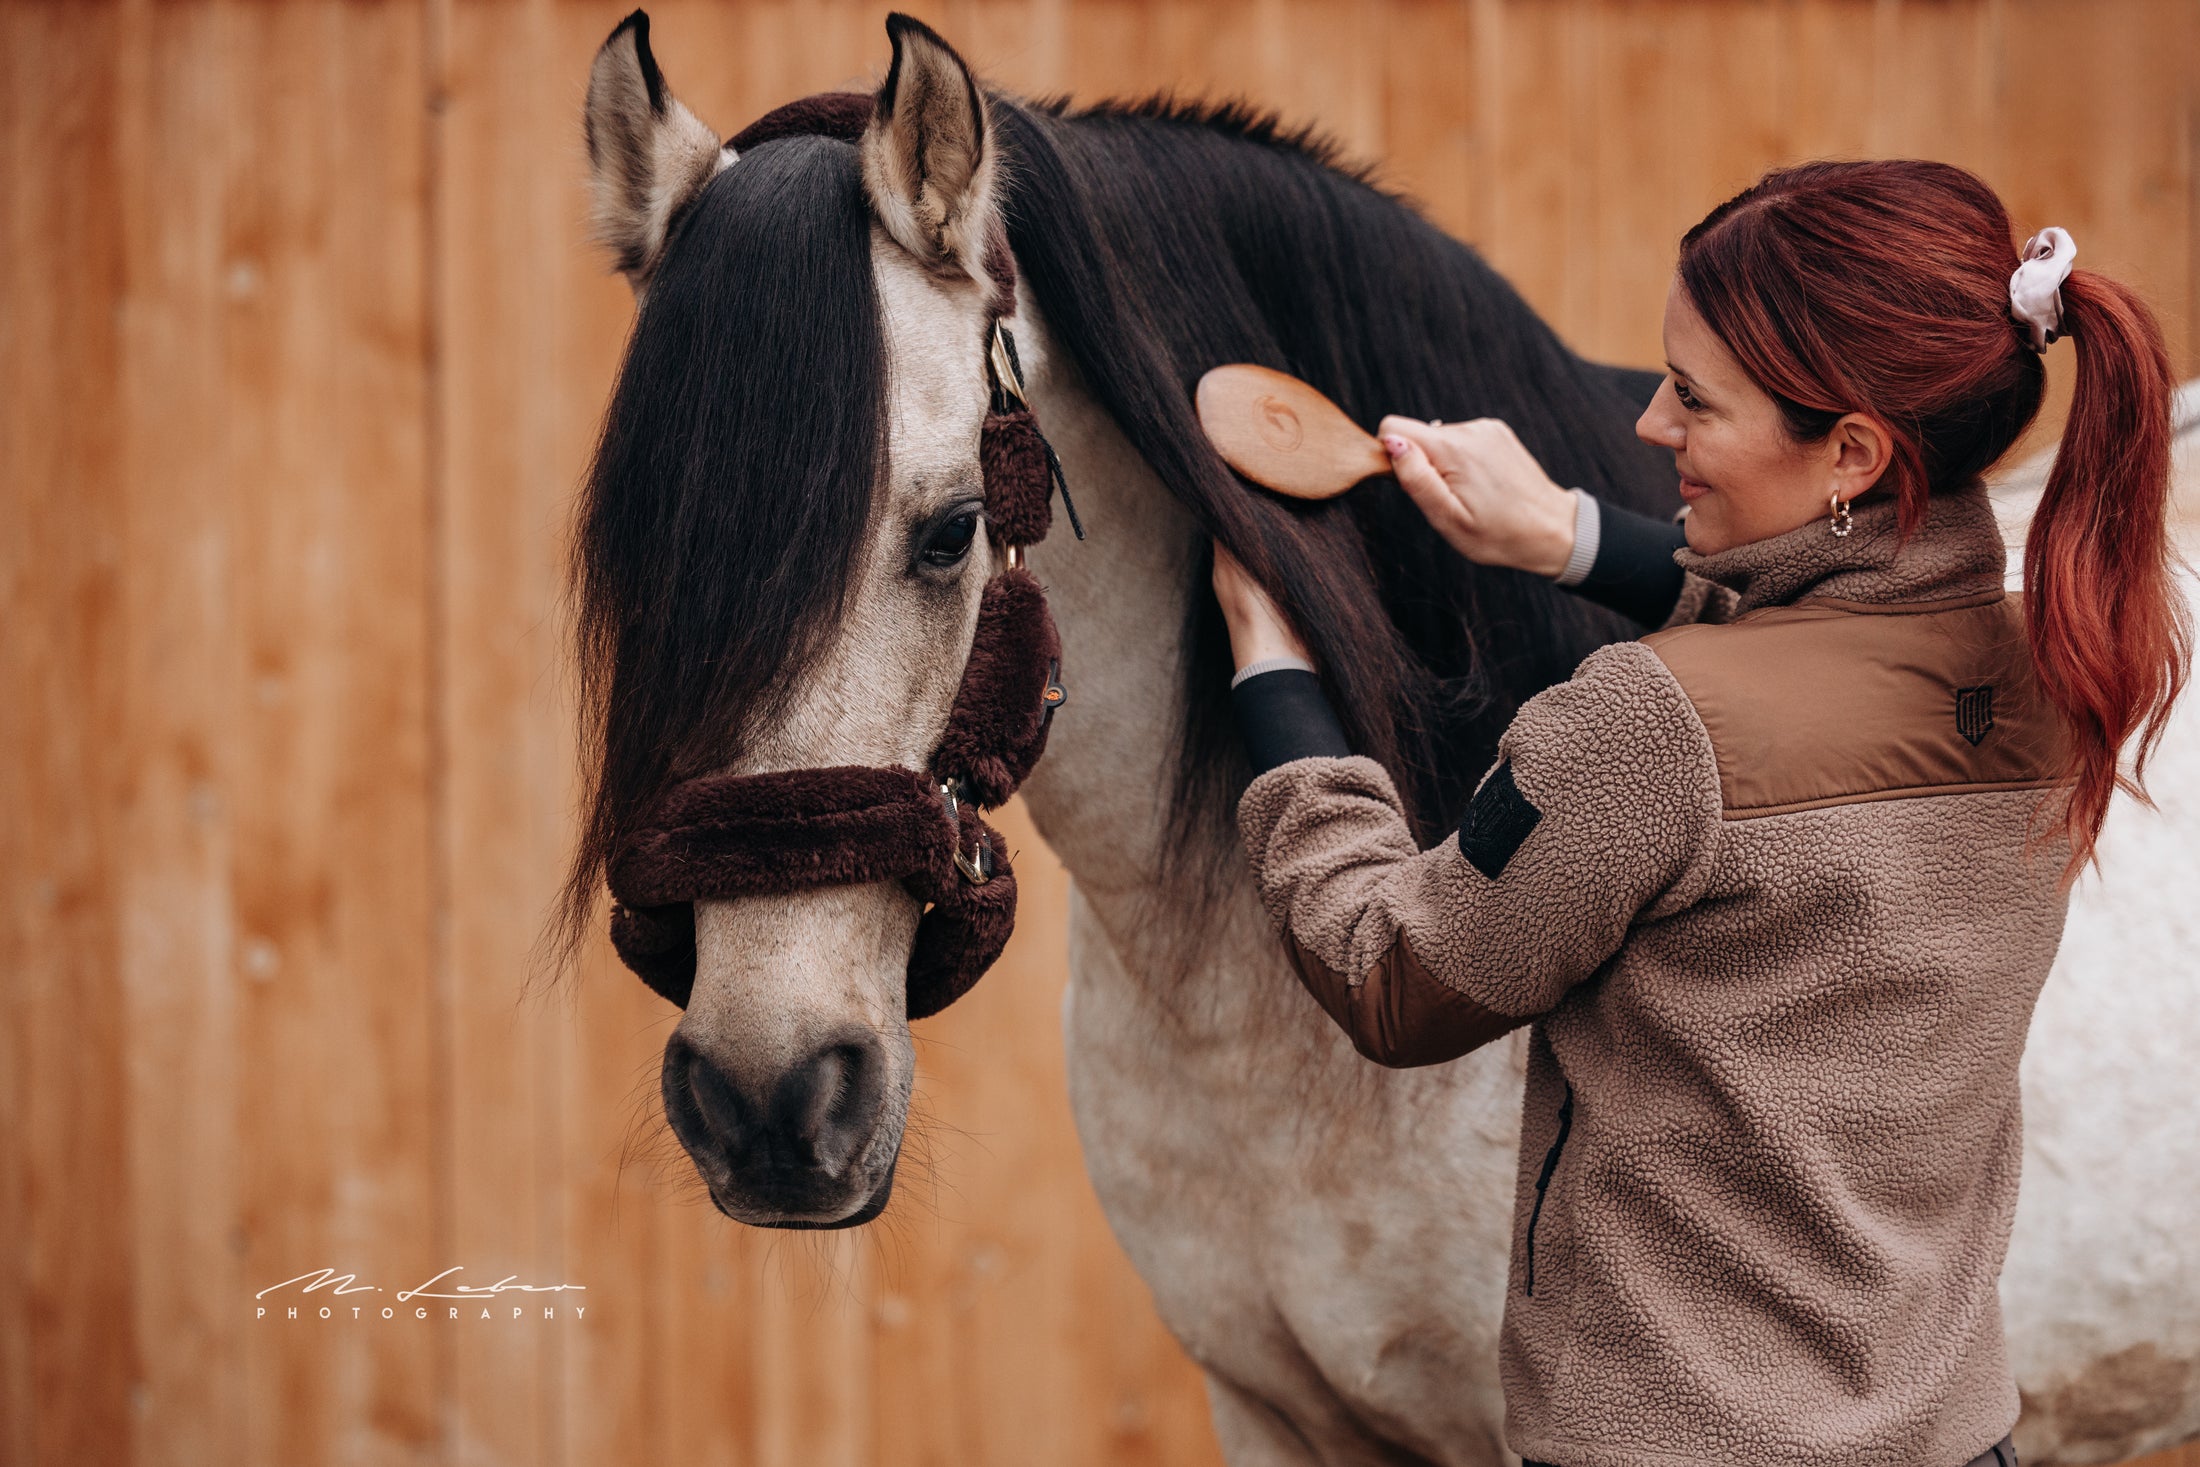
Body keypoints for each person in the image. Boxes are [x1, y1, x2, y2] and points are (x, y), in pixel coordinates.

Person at [1209, 160, 2190, 1467]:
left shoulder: (1646, 729)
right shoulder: (2057, 666)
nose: (1650, 426)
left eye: (1696, 398)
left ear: (1850, 452)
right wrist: (1563, 536)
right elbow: (1827, 658)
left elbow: (1395, 975)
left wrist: (1274, 675)